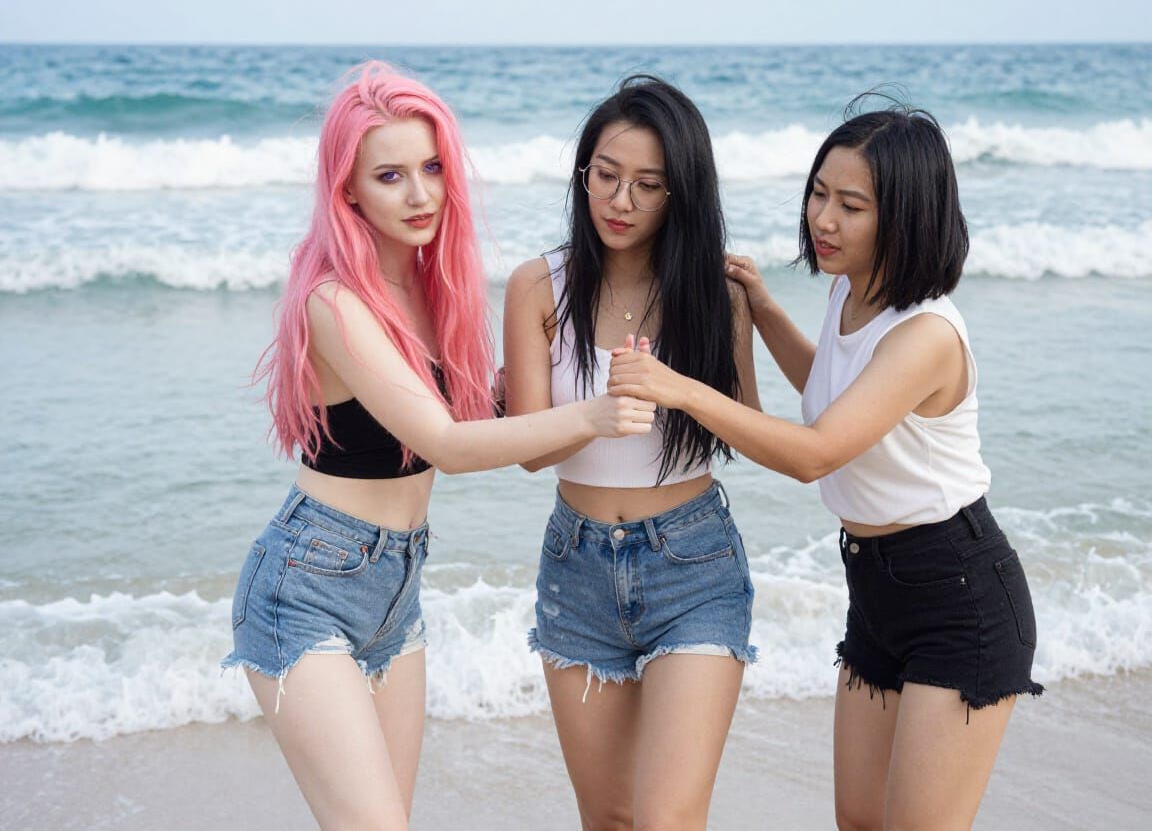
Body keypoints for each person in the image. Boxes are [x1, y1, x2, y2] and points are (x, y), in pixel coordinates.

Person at [220, 62, 655, 831]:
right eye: (390, 175)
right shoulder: (335, 300)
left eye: (431, 168)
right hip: (308, 582)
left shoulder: (431, 287)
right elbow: (448, 446)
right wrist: (596, 414)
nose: (420, 193)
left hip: (396, 587)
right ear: (348, 188)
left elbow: (451, 420)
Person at [608, 101, 1043, 830]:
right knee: (859, 820)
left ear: (905, 215)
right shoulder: (852, 291)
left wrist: (675, 387)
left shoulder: (926, 334)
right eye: (819, 193)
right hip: (876, 589)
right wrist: (761, 309)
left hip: (959, 595)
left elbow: (814, 454)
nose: (824, 220)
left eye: (852, 205)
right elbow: (829, 397)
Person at [502, 75, 760, 831]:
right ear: (583, 174)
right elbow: (524, 445)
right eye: (605, 177)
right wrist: (598, 413)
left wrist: (678, 388)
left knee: (667, 819)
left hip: (694, 566)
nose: (620, 201)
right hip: (575, 568)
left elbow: (747, 426)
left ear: (680, 192)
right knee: (608, 819)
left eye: (647, 185)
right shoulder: (537, 286)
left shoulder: (717, 292)